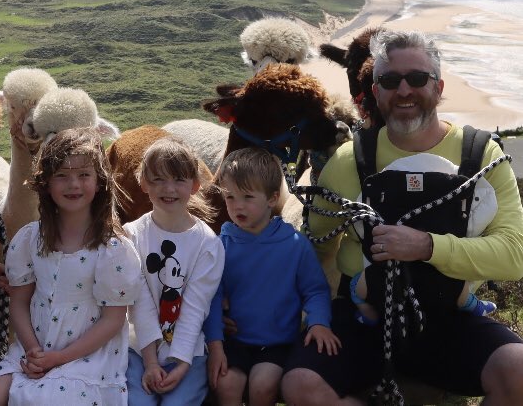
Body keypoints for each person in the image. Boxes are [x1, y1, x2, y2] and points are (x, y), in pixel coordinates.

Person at [281, 29, 523, 405]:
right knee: (300, 385)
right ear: (376, 92)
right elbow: (317, 246)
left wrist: (426, 246)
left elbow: (513, 255)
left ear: (439, 87)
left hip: (446, 319)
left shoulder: (481, 155)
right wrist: (318, 309)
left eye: (418, 78)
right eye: (390, 81)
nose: (404, 90)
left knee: (517, 370)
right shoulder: (349, 161)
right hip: (364, 321)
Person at [0, 127, 142, 406]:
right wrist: (33, 351)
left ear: (99, 181)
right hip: (35, 344)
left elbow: (113, 320)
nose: (73, 184)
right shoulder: (30, 239)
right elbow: (18, 303)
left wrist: (58, 359)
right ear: (46, 183)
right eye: (62, 175)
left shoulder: (111, 249)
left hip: (87, 353)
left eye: (83, 175)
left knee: (51, 400)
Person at [205, 147, 340, 406]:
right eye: (230, 197)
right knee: (226, 384)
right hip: (233, 341)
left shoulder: (294, 244)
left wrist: (319, 322)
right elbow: (212, 297)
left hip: (277, 343)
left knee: (262, 386)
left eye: (247, 197)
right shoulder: (220, 245)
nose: (237, 206)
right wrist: (216, 343)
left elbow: (315, 290)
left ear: (272, 198)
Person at [124, 136, 225, 406]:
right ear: (143, 183)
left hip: (188, 350)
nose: (169, 188)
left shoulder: (208, 244)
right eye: (158, 179)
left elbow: (195, 307)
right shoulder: (131, 236)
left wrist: (181, 364)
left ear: (195, 185)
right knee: (138, 403)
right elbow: (139, 304)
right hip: (138, 349)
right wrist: (150, 363)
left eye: (179, 179)